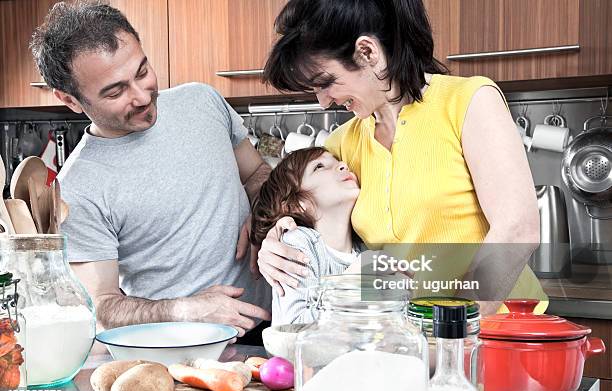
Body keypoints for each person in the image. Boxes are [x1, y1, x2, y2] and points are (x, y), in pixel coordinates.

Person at [257, 0, 547, 315]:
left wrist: (453, 325)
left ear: (368, 53)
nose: (324, 102)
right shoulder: (341, 145)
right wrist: (274, 245)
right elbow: (315, 224)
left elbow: (517, 227)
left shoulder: (468, 101)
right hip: (409, 341)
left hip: (498, 332)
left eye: (326, 83)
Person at [30, 2, 271, 336]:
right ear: (70, 100)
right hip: (184, 349)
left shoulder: (202, 101)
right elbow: (101, 307)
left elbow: (257, 175)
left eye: (142, 72)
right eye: (116, 91)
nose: (142, 96)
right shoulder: (78, 189)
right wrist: (187, 309)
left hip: (277, 329)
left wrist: (264, 208)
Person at [250, 147, 361, 325]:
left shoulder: (362, 249)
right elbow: (294, 327)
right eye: (319, 167)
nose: (343, 165)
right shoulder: (297, 244)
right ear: (297, 204)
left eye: (337, 161)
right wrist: (358, 278)